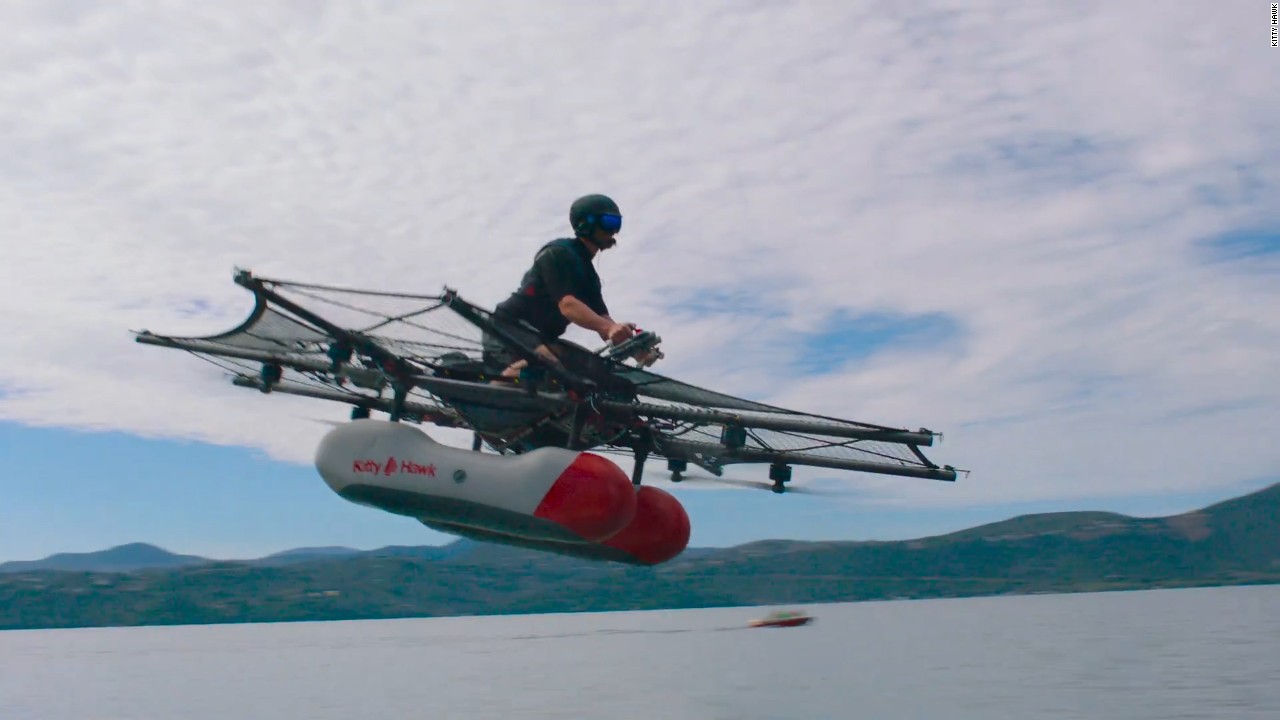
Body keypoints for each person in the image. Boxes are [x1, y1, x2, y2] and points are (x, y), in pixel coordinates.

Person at [484, 193, 645, 380]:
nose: (614, 231)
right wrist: (609, 328)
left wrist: (634, 348)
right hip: (508, 329)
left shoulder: (590, 276)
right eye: (609, 223)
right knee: (546, 365)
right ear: (586, 224)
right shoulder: (558, 253)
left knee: (592, 369)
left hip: (543, 338)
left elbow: (604, 322)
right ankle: (488, 396)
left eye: (618, 224)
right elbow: (568, 305)